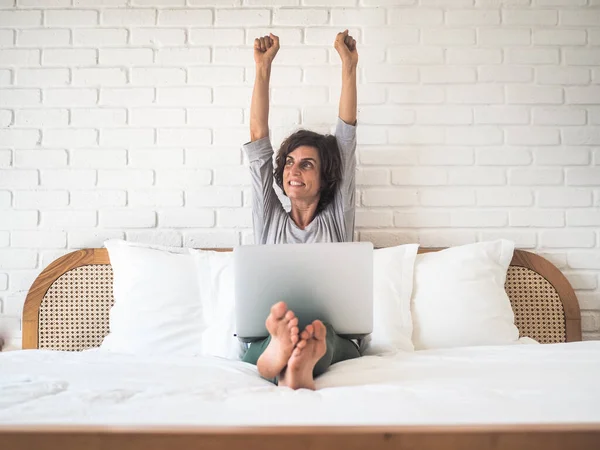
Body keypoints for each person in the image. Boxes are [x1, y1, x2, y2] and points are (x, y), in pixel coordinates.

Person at [241, 30, 359, 390]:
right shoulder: (270, 218)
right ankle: (287, 354)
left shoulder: (336, 215)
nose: (294, 170)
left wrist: (349, 68)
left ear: (326, 178)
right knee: (262, 341)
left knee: (328, 336)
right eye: (290, 162)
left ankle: (296, 353)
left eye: (307, 164)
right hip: (272, 331)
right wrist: (262, 69)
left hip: (332, 333)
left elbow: (346, 139)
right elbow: (259, 138)